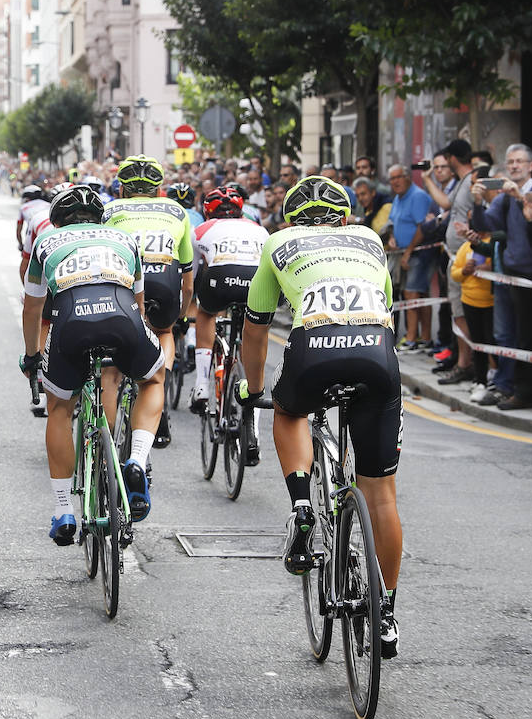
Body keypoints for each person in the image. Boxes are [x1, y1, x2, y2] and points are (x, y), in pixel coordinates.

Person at [239, 175, 403, 658]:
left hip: (314, 349)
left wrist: (253, 389)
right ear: (346, 217)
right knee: (382, 495)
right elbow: (386, 305)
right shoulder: (369, 239)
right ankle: (386, 613)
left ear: (290, 219)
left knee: (288, 413)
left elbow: (256, 329)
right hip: (376, 351)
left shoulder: (278, 243)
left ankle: (301, 506)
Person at [18, 184, 164, 545]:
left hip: (70, 321)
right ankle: (137, 460)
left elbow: (33, 308)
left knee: (59, 409)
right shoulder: (123, 238)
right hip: (122, 317)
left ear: (58, 219)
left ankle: (64, 509)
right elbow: (139, 302)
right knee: (154, 379)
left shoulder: (46, 242)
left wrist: (33, 355)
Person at [105, 154, 195, 465]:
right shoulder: (176, 209)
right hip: (165, 282)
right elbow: (187, 277)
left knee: (111, 371)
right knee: (164, 330)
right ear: (159, 188)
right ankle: (162, 378)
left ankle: (106, 455)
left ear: (121, 188)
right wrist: (182, 315)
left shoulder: (109, 209)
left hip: (126, 282)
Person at [470, 144, 532, 411]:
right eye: (510, 162)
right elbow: (484, 225)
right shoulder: (503, 198)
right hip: (516, 273)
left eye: (519, 162)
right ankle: (525, 390)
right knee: (522, 336)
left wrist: (520, 198)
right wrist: (478, 202)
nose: (514, 166)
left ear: (531, 166)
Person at [189, 186, 269, 457]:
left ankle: (201, 384)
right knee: (254, 335)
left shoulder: (202, 229)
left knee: (205, 312)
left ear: (208, 211)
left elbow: (195, 272)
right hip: (255, 282)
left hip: (221, 278)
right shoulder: (259, 229)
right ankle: (254, 432)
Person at [423, 139, 477, 385]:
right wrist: (427, 180)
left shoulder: (471, 181)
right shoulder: (463, 183)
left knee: (463, 313)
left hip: (467, 258)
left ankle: (467, 363)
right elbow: (446, 203)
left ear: (453, 159)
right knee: (458, 312)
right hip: (457, 258)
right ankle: (463, 361)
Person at [386, 164, 435, 350]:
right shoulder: (399, 198)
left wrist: (408, 251)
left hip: (419, 252)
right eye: (392, 179)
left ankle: (413, 338)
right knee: (418, 294)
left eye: (398, 177)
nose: (395, 182)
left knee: (412, 294)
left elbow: (423, 226)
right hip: (403, 252)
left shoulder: (418, 196)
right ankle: (423, 337)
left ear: (408, 177)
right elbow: (393, 222)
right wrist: (392, 237)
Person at [450, 232, 494, 402]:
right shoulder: (464, 247)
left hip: (490, 302)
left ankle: (492, 378)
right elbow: (455, 273)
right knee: (477, 342)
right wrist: (464, 270)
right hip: (469, 301)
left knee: (491, 341)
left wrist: (488, 269)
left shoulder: (491, 244)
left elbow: (497, 267)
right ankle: (480, 379)